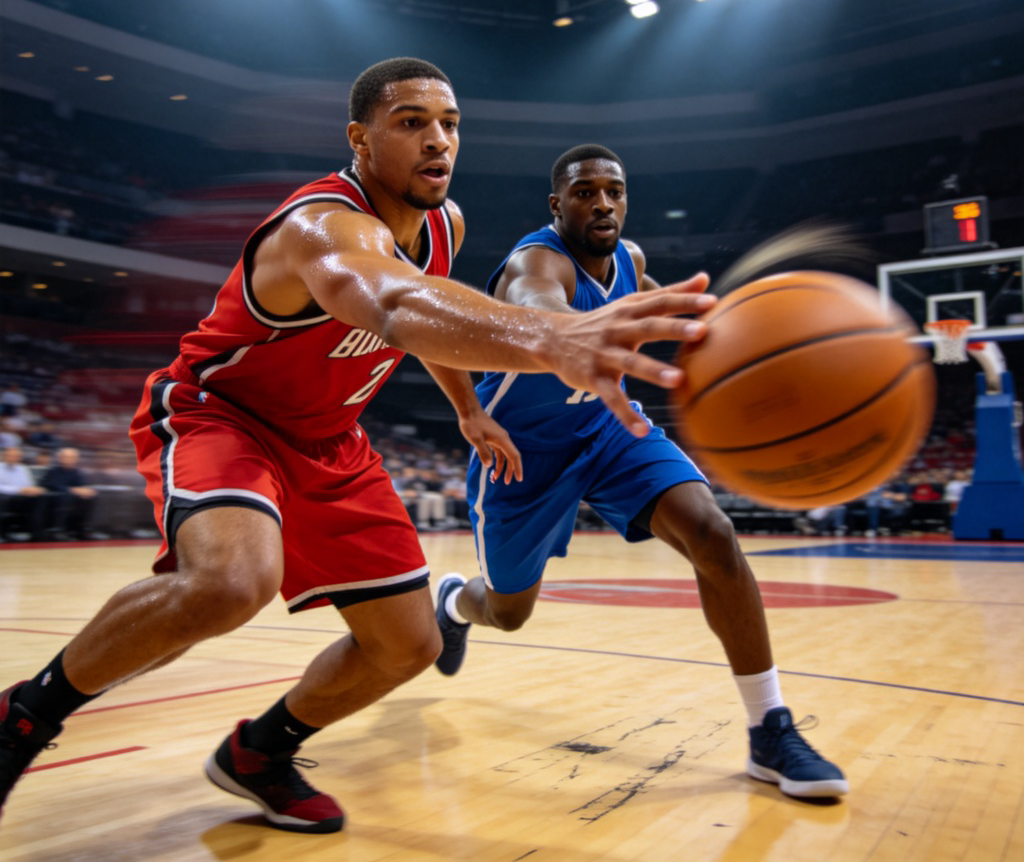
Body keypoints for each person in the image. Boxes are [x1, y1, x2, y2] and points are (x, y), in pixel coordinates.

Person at [0, 60, 714, 832]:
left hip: (331, 441)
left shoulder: (445, 224)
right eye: (411, 123)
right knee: (231, 581)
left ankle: (257, 752)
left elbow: (427, 308)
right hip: (225, 417)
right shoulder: (320, 225)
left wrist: (468, 408)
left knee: (407, 644)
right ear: (360, 138)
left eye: (449, 124)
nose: (438, 141)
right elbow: (395, 301)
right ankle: (22, 721)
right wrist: (553, 334)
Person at [434, 144, 848, 800]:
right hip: (521, 454)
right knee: (507, 613)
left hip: (608, 432)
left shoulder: (631, 261)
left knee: (713, 535)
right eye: (584, 192)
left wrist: (745, 340)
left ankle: (769, 728)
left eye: (613, 191)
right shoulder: (535, 262)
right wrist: (574, 332)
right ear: (557, 204)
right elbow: (540, 303)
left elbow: (670, 316)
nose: (602, 203)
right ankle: (455, 603)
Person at [38, 446, 98, 540]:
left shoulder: (77, 472)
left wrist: (86, 490)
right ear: (60, 458)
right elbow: (49, 484)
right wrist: (70, 490)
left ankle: (85, 529)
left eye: (72, 457)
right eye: (66, 457)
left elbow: (82, 485)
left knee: (92, 496)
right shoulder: (53, 471)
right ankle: (57, 530)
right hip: (54, 499)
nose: (69, 459)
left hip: (73, 500)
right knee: (65, 496)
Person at [0, 444, 46, 542]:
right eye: (10, 455)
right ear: (5, 456)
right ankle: (3, 533)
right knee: (2, 498)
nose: (13, 458)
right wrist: (19, 490)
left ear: (19, 457)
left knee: (40, 497)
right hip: (6, 498)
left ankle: (35, 533)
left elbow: (29, 485)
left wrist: (35, 489)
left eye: (16, 456)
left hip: (21, 498)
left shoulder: (23, 468)